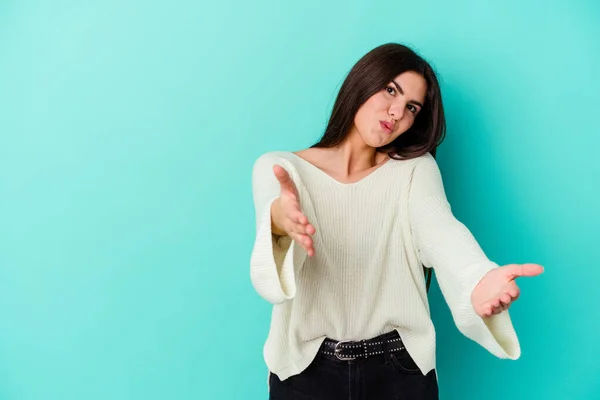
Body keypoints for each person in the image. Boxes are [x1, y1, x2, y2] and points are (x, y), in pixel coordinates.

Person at [249, 43, 544, 400]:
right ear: (362, 81)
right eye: (391, 90)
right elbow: (271, 244)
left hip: (398, 372)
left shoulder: (414, 172)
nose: (396, 112)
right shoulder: (281, 168)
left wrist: (477, 279)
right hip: (304, 371)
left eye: (411, 108)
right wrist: (279, 224)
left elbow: (441, 232)